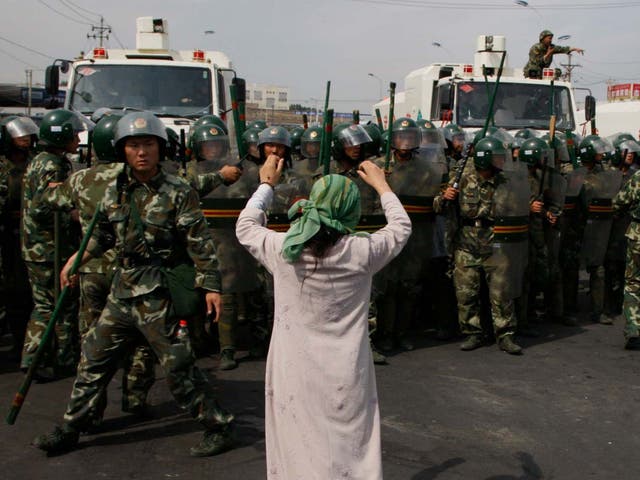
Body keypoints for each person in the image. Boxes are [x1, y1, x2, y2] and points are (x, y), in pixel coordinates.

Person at [33, 111, 234, 457]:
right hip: (122, 290)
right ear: (122, 150)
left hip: (156, 294)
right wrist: (77, 258)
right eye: (134, 145)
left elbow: (198, 241)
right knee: (92, 360)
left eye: (149, 145)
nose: (141, 152)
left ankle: (218, 425)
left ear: (161, 149)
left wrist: (211, 286)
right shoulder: (114, 188)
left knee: (177, 365)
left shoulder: (177, 190)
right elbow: (104, 233)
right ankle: (71, 426)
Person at [236, 155, 411, 480]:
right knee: (350, 447)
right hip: (347, 374)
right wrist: (381, 184)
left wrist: (266, 184)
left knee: (297, 446)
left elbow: (245, 226)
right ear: (350, 213)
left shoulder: (283, 250)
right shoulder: (362, 252)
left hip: (293, 371)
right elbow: (401, 227)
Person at [434, 136, 528, 355]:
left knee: (501, 293)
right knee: (466, 293)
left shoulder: (507, 181)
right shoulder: (462, 178)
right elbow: (438, 206)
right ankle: (472, 333)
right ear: (485, 159)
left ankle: (505, 335)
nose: (501, 162)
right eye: (496, 158)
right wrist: (445, 197)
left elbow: (518, 207)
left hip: (497, 243)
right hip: (466, 244)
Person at [21, 109, 90, 378]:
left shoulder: (40, 160)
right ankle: (51, 357)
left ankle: (38, 356)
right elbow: (45, 206)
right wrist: (76, 213)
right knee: (59, 304)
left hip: (36, 246)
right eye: (73, 134)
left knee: (46, 304)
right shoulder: (53, 165)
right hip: (49, 247)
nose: (77, 138)